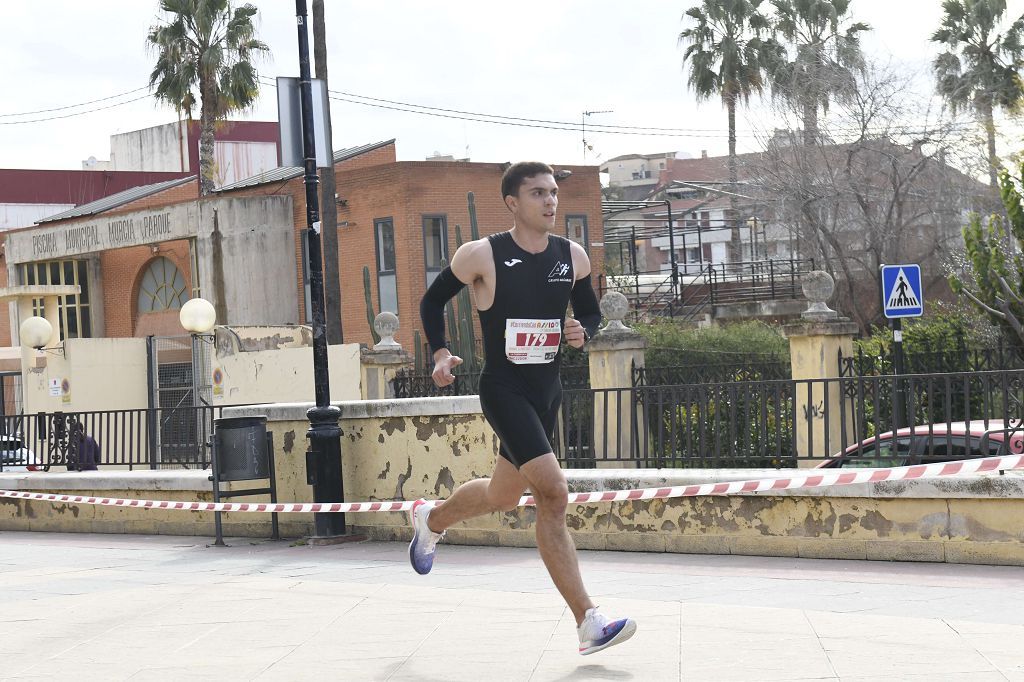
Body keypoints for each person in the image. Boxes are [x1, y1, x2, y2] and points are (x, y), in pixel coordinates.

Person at [413, 161, 637, 655]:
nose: (550, 201)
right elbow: (432, 303)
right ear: (513, 203)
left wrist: (585, 331)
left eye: (554, 193)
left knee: (503, 495)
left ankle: (431, 521)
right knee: (553, 494)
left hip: (547, 390)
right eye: (538, 193)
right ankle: (589, 621)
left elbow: (591, 313)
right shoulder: (482, 256)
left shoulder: (571, 255)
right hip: (504, 387)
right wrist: (440, 352)